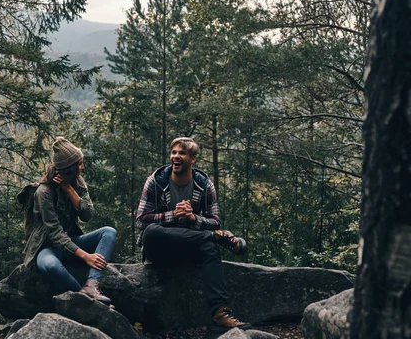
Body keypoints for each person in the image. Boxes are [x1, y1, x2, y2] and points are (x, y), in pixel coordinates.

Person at [136, 137, 250, 332]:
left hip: (189, 249)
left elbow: (215, 221)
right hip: (160, 251)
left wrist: (192, 218)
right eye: (174, 153)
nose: (176, 157)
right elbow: (141, 220)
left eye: (182, 153)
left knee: (209, 246)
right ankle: (212, 237)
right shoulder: (156, 181)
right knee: (152, 231)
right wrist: (172, 215)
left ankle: (220, 313)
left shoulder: (204, 184)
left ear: (193, 159)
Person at [20, 136, 116, 305]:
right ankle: (83, 296)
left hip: (72, 241)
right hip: (47, 247)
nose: (83, 167)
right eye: (79, 164)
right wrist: (86, 256)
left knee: (108, 232)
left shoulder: (77, 182)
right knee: (51, 266)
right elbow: (55, 233)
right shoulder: (44, 192)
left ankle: (92, 284)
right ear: (69, 169)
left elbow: (88, 215)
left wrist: (70, 190)